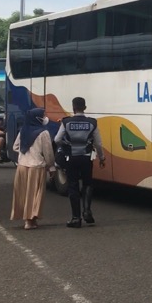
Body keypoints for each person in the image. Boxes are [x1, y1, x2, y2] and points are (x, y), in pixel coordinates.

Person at [54, 97, 106, 228]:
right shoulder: (92, 123)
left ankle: (76, 218)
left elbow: (57, 139)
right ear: (85, 108)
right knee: (88, 183)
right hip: (86, 158)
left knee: (73, 185)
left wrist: (65, 147)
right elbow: (98, 143)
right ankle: (87, 211)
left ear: (73, 107)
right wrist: (102, 157)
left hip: (71, 158)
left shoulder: (66, 122)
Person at [11, 108, 56, 230]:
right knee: (35, 194)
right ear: (38, 118)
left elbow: (15, 147)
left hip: (22, 166)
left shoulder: (23, 131)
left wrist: (25, 152)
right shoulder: (43, 133)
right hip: (36, 167)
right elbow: (48, 153)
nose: (45, 117)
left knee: (24, 193)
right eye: (43, 115)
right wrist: (51, 166)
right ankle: (30, 221)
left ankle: (28, 220)